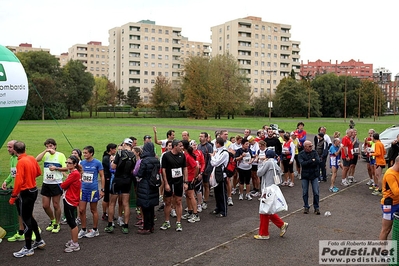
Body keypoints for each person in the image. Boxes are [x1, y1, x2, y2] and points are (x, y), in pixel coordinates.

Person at [9, 141, 45, 258]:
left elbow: (18, 182)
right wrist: (29, 178)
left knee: (25, 220)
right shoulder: (31, 158)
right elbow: (38, 172)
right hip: (34, 190)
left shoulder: (20, 162)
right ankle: (39, 240)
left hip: (25, 193)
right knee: (29, 216)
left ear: (15, 150)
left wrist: (13, 196)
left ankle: (28, 248)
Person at [2, 140, 35, 242]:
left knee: (26, 212)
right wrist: (6, 181)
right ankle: (21, 232)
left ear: (16, 149)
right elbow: (13, 174)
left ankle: (33, 231)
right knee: (20, 212)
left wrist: (18, 191)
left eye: (10, 147)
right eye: (7, 147)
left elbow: (24, 176)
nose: (8, 149)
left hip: (23, 189)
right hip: (18, 189)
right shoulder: (12, 159)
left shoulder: (21, 160)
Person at [254, 150, 288, 240]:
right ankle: (281, 224)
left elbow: (259, 173)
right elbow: (279, 179)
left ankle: (264, 233)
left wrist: (262, 164)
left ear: (266, 156)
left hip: (267, 189)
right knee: (268, 210)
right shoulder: (276, 165)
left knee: (264, 211)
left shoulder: (268, 163)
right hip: (273, 189)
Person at [36, 138, 66, 234]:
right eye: (47, 146)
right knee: (45, 205)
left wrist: (56, 168)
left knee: (56, 205)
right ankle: (52, 220)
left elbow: (66, 168)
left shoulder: (60, 155)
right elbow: (37, 159)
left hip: (56, 183)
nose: (49, 148)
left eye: (51, 146)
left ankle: (57, 223)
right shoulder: (46, 155)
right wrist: (45, 151)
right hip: (46, 183)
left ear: (55, 146)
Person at [105, 139, 135, 234]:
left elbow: (113, 167)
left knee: (112, 203)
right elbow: (132, 170)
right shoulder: (134, 155)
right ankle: (126, 225)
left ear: (125, 144)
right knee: (126, 203)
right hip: (127, 180)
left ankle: (110, 224)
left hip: (117, 180)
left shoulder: (120, 152)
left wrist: (112, 162)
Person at [160, 139, 187, 232]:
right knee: (168, 202)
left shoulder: (182, 155)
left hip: (179, 182)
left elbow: (185, 168)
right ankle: (167, 221)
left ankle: (178, 222)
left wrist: (185, 182)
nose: (182, 148)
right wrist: (166, 183)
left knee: (178, 201)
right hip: (170, 182)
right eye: (180, 146)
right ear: (175, 146)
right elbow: (163, 170)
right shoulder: (166, 156)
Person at [78, 146, 104, 238]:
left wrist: (102, 189)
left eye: (86, 153)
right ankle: (83, 229)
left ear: (91, 153)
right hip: (83, 189)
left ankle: (95, 229)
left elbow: (102, 176)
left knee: (93, 210)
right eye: (83, 153)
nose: (84, 154)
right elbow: (79, 174)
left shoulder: (97, 163)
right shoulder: (81, 162)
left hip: (93, 190)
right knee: (81, 210)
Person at [136, 142, 161, 234]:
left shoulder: (144, 161)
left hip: (145, 184)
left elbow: (140, 174)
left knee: (145, 207)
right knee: (151, 207)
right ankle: (151, 226)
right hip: (153, 184)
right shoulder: (156, 160)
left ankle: (146, 227)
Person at [61, 155, 82, 252]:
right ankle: (73, 240)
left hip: (70, 200)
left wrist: (63, 182)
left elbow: (63, 185)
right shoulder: (74, 173)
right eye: (66, 162)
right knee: (70, 221)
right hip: (71, 199)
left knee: (72, 223)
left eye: (69, 163)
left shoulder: (74, 174)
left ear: (74, 164)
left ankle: (75, 243)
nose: (67, 164)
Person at [379, 156, 399, 241]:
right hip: (390, 205)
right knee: (386, 229)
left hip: (397, 202)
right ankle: (382, 252)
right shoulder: (390, 174)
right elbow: (396, 191)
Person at [298, 140, 320, 215]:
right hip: (305, 175)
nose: (311, 147)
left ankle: (316, 207)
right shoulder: (301, 154)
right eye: (310, 146)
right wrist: (311, 161)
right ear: (305, 147)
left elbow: (318, 161)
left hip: (314, 174)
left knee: (316, 192)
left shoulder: (314, 152)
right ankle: (306, 206)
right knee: (305, 192)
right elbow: (302, 164)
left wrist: (309, 162)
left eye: (312, 146)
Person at [210, 137, 230, 217]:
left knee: (222, 193)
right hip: (216, 174)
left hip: (222, 175)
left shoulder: (224, 153)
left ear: (218, 143)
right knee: (217, 192)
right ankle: (218, 207)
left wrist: (212, 157)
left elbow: (215, 163)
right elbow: (213, 163)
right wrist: (213, 158)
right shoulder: (218, 152)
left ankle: (223, 210)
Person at [181, 140, 200, 223]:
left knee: (191, 195)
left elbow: (196, 166)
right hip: (186, 178)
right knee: (188, 195)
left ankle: (195, 214)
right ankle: (190, 211)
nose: (180, 147)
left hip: (190, 178)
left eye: (181, 145)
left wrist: (194, 177)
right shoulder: (185, 155)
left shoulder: (188, 156)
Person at [197, 132, 214, 210]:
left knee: (206, 185)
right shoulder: (198, 146)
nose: (200, 138)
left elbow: (210, 159)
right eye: (200, 136)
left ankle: (205, 201)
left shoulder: (209, 146)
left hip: (206, 169)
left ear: (206, 138)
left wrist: (207, 170)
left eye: (202, 136)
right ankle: (200, 201)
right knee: (199, 186)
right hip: (199, 170)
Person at [101, 143, 117, 221]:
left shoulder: (107, 156)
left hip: (109, 177)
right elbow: (111, 167)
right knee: (106, 197)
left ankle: (107, 213)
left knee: (108, 197)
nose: (115, 150)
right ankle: (105, 213)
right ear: (111, 149)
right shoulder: (106, 158)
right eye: (114, 149)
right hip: (107, 178)